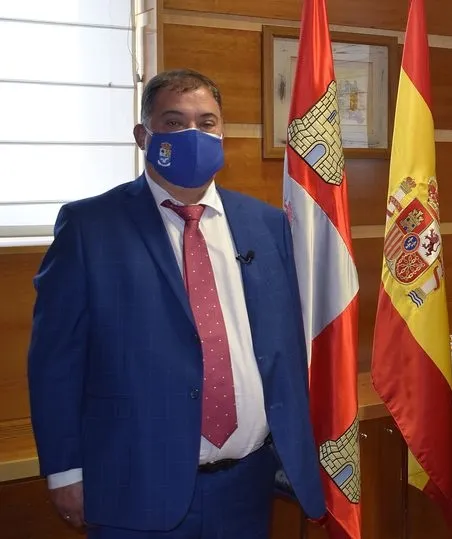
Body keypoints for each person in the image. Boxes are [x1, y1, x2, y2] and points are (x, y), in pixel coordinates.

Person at [27, 69, 325, 538]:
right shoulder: (90, 227)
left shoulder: (267, 226)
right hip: (134, 484)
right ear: (143, 135)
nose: (193, 134)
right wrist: (65, 471)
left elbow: (281, 346)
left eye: (207, 122)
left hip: (246, 485)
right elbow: (55, 361)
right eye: (174, 122)